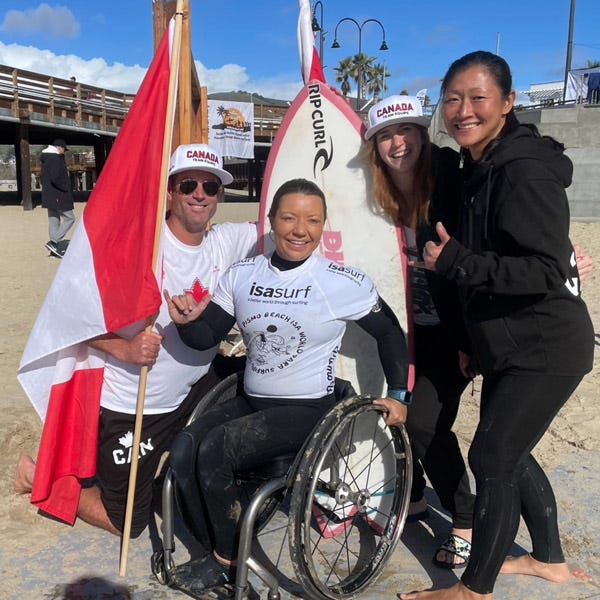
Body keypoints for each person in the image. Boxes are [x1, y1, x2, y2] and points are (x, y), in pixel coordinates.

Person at [398, 50, 595, 600]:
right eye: (453, 98)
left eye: (478, 97)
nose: (463, 110)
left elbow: (546, 269)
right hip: (508, 342)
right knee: (511, 449)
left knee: (492, 456)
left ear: (508, 102)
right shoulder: (479, 167)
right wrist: (472, 343)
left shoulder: (522, 170)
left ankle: (474, 589)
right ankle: (549, 561)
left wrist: (455, 261)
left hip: (546, 345)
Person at [162, 178, 411, 595]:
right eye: (289, 217)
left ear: (323, 225)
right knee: (186, 446)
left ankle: (227, 561)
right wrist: (186, 323)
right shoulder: (243, 275)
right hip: (252, 400)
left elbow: (389, 334)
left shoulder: (340, 281)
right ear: (272, 221)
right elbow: (207, 335)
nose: (300, 229)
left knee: (215, 448)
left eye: (312, 220)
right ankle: (220, 542)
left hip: (310, 410)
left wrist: (400, 394)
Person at [14, 143, 259, 539]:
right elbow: (67, 317)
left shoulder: (226, 242)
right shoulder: (138, 248)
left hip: (196, 389)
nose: (201, 194)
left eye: (211, 188)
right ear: (170, 191)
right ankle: (40, 476)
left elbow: (284, 222)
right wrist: (124, 349)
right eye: (189, 184)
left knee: (265, 381)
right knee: (126, 522)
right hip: (136, 404)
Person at [363, 95, 475, 568]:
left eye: (407, 130)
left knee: (425, 422)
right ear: (375, 146)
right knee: (393, 411)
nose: (398, 142)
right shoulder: (372, 194)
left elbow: (495, 228)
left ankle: (465, 519)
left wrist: (564, 254)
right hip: (402, 331)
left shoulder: (449, 176)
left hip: (450, 333)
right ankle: (415, 499)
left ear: (423, 134)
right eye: (387, 134)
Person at [41, 138, 75, 258]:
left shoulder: (46, 158)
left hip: (49, 195)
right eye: (64, 150)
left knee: (54, 220)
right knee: (70, 218)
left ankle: (53, 249)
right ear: (59, 147)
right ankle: (54, 241)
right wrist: (66, 187)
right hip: (58, 195)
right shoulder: (55, 159)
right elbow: (56, 178)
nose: (64, 152)